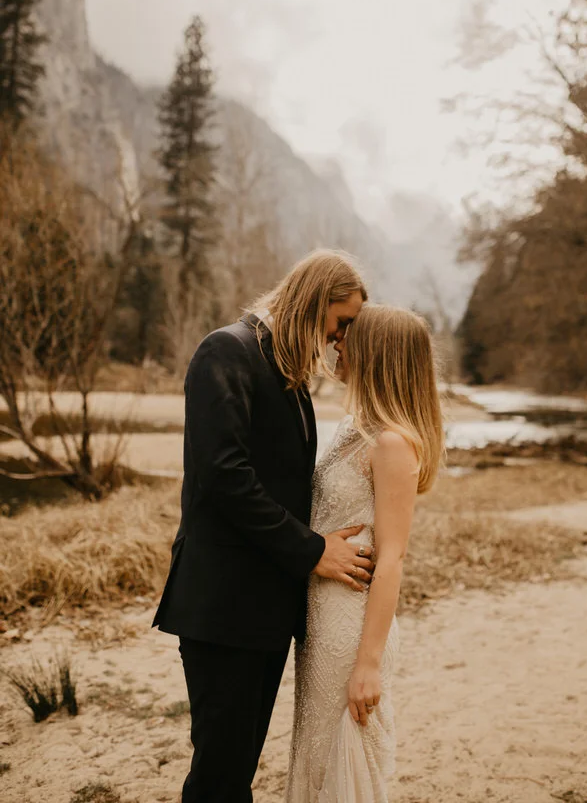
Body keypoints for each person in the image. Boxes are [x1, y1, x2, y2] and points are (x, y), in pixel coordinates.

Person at [152, 249, 374, 803]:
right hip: (222, 606)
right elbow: (224, 477)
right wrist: (311, 551)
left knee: (236, 770)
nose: (340, 339)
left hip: (264, 610)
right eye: (341, 321)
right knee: (220, 775)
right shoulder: (225, 350)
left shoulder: (287, 369)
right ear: (314, 299)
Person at [286, 303, 444, 802]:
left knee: (343, 758)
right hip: (322, 617)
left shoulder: (393, 445)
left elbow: (393, 557)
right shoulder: (354, 427)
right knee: (314, 752)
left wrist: (369, 663)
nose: (337, 342)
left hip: (352, 627)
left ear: (377, 352)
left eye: (348, 336)